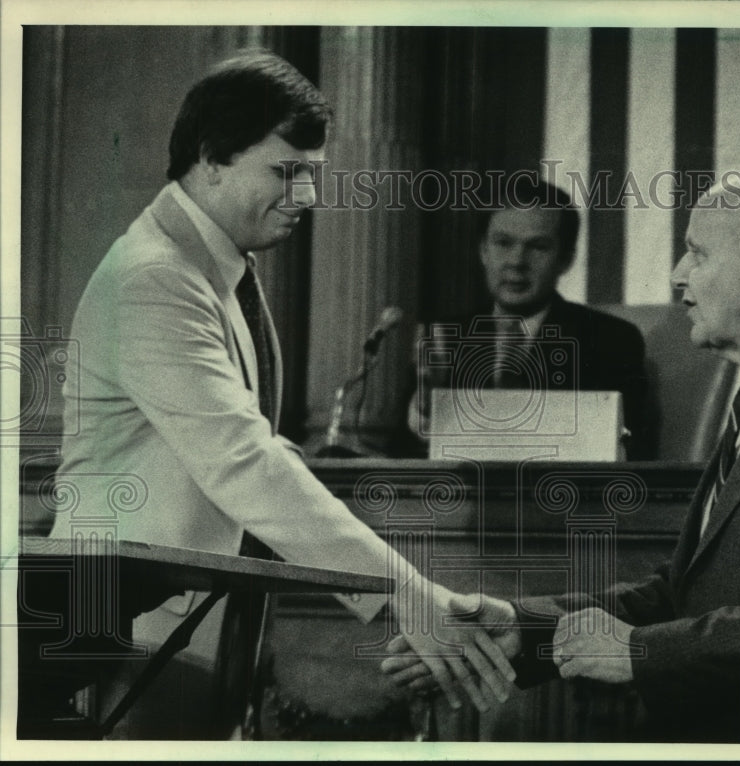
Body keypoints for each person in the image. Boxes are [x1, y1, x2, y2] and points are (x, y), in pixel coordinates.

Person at [382, 168, 740, 744]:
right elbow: (682, 593)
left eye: (696, 254)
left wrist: (639, 651)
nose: (678, 276)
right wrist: (523, 628)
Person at [41, 50, 514, 734]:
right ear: (211, 159)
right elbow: (244, 462)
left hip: (178, 627)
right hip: (126, 634)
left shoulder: (207, 268)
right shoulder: (156, 279)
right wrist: (408, 598)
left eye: (312, 176)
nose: (308, 199)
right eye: (286, 173)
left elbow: (250, 449)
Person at [406, 175, 649, 458]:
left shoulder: (611, 340)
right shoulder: (444, 337)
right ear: (483, 250)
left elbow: (626, 450)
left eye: (537, 247)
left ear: (566, 259)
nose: (517, 262)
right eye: (503, 243)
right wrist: (424, 411)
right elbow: (399, 453)